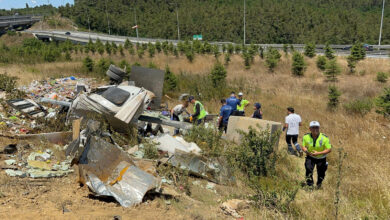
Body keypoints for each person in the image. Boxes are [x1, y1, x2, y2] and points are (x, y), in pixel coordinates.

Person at [302, 121, 332, 189]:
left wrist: (318, 153)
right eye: (313, 127)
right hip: (310, 157)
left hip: (321, 158)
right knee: (308, 169)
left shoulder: (324, 138)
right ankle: (310, 185)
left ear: (319, 128)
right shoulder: (306, 137)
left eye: (317, 127)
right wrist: (306, 151)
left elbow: (329, 149)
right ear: (310, 128)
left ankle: (319, 183)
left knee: (321, 173)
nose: (315, 129)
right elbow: (303, 146)